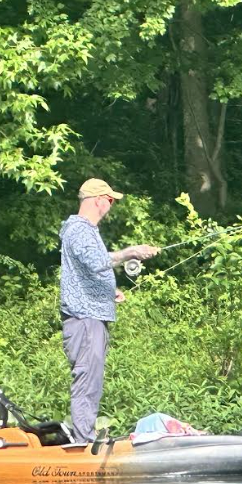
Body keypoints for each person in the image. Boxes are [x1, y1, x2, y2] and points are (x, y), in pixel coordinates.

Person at [60, 179, 158, 443]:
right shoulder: (79, 229)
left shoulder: (85, 230)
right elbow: (95, 261)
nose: (111, 206)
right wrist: (130, 252)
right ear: (98, 200)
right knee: (87, 379)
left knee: (92, 379)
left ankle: (85, 437)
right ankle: (84, 442)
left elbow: (84, 270)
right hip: (84, 319)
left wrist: (108, 292)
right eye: (111, 200)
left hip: (91, 316)